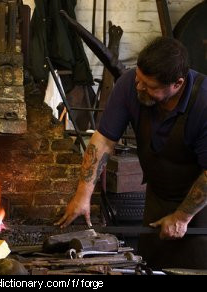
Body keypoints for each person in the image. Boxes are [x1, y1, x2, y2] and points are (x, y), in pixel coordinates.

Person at [56, 36, 207, 269]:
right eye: (139, 79)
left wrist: (182, 217)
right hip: (158, 196)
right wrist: (83, 195)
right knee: (150, 265)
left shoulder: (203, 103)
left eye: (149, 86)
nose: (139, 87)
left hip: (201, 211)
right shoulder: (130, 85)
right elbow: (103, 140)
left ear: (177, 83)